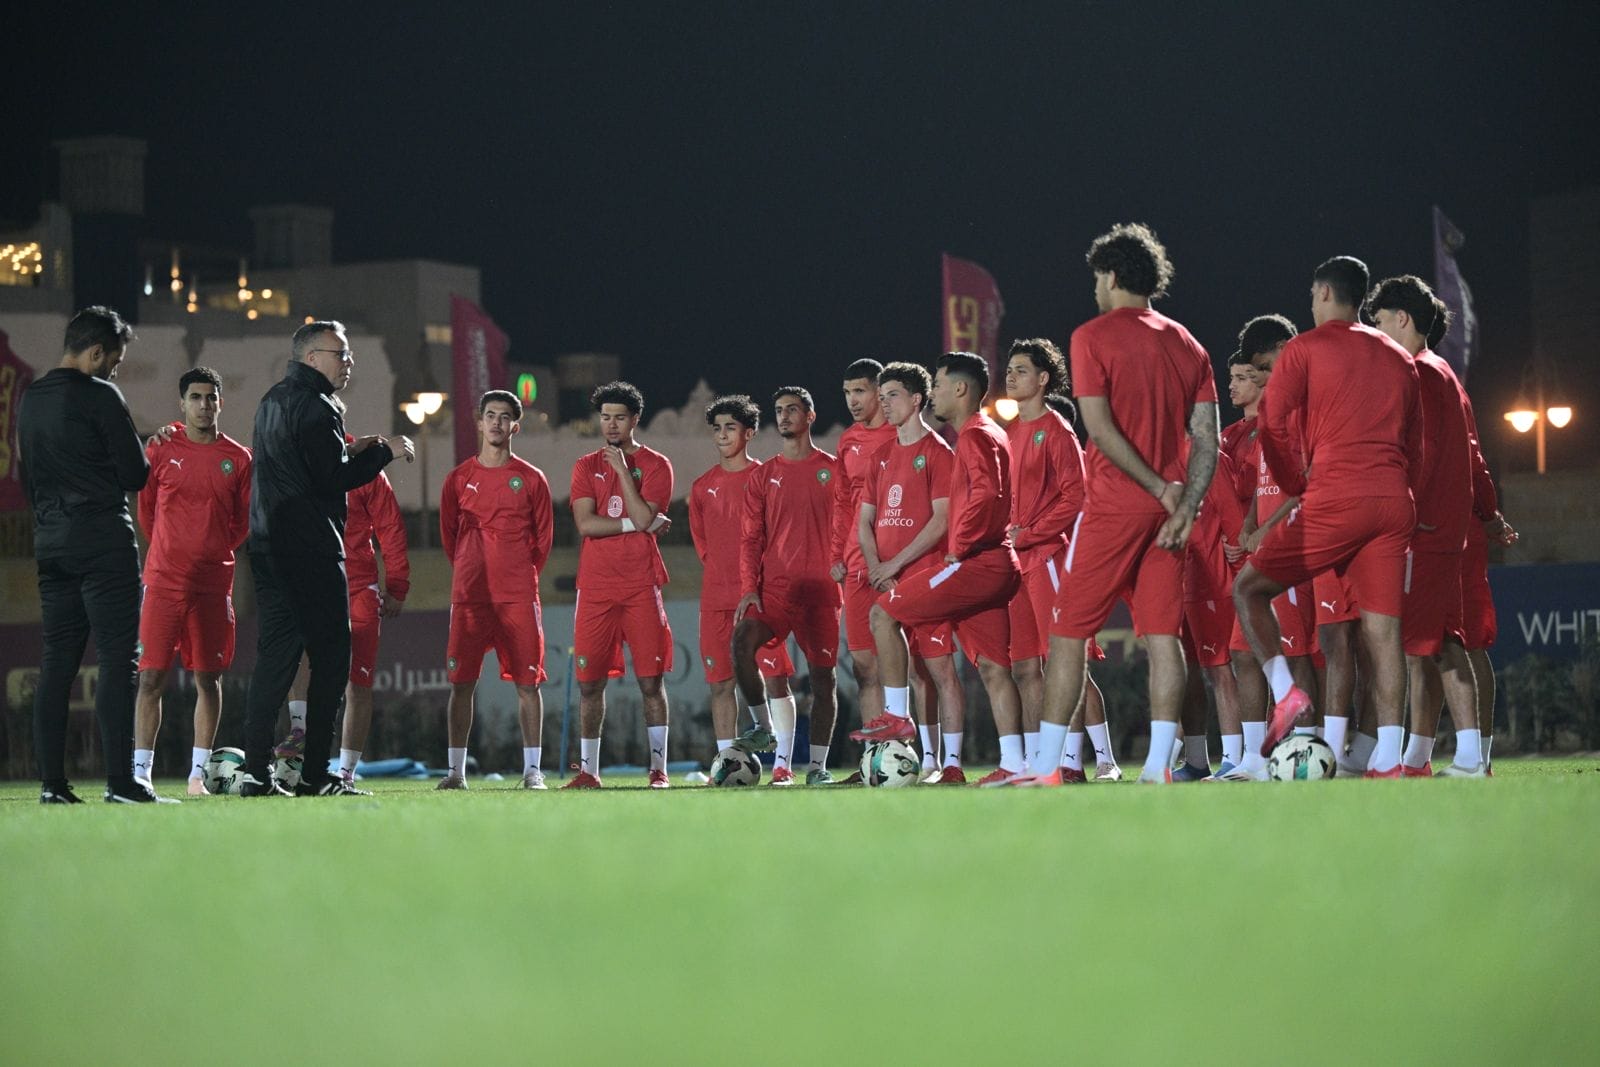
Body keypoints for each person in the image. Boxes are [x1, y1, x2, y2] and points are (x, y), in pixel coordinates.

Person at [1019, 223, 1218, 786]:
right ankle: (1157, 767)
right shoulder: (1188, 342)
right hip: (1170, 514)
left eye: (1096, 279)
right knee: (1162, 638)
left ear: (1110, 275)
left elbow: (1100, 430)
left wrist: (1158, 488)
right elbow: (1208, 436)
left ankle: (1049, 767)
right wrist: (1184, 505)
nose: (1095, 290)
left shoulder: (1091, 336)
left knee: (1067, 635)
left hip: (1114, 505)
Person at [1232, 257, 1422, 776]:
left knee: (1248, 590)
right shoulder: (1398, 356)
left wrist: (1294, 483)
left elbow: (1271, 424)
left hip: (1337, 498)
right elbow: (1416, 445)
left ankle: (1286, 694)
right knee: (1383, 633)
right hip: (1392, 500)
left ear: (1320, 294)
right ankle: (1389, 754)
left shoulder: (1306, 349)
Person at [239, 320, 411, 797]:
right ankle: (316, 774)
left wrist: (353, 448)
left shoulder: (270, 400)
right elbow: (330, 479)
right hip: (311, 550)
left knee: (274, 661)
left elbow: (297, 463)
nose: (348, 362)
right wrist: (385, 454)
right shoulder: (319, 405)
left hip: (267, 548)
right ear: (312, 357)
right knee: (333, 659)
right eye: (342, 354)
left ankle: (257, 774)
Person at [852, 353, 1024, 778]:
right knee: (994, 667)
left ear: (961, 390)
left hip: (977, 562)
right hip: (996, 561)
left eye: (941, 386)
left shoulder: (969, 437)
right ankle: (1014, 764)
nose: (936, 395)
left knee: (882, 612)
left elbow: (984, 495)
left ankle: (899, 718)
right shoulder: (990, 432)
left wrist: (958, 547)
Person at [19, 306, 158, 804]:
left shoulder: (30, 398)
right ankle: (121, 783)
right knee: (120, 661)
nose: (113, 372)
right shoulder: (101, 396)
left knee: (56, 665)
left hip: (50, 543)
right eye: (113, 362)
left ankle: (53, 786)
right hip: (102, 543)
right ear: (96, 352)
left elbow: (26, 477)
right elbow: (134, 475)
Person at [1367, 275, 1492, 778]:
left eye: (1378, 323)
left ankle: (1467, 759)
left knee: (1437, 644)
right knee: (1429, 643)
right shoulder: (1445, 375)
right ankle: (1420, 755)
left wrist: (1403, 512)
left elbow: (1421, 453)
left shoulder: (1418, 373)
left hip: (1425, 529)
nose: (1375, 333)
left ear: (1402, 319)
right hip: (1445, 528)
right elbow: (1472, 457)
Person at [134, 366, 251, 797]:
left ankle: (198, 776)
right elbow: (147, 513)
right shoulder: (161, 450)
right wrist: (173, 550)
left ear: (221, 402)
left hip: (213, 584)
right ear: (182, 404)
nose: (204, 405)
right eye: (195, 398)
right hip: (164, 581)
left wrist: (211, 549)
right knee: (150, 679)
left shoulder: (239, 458)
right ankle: (141, 774)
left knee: (209, 678)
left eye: (210, 397)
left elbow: (240, 524)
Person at [1000, 339, 1112, 784]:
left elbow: (1076, 497)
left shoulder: (1057, 429)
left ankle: (1087, 759)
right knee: (1026, 666)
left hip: (1047, 557)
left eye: (1021, 370)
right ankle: (1035, 761)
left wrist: (1031, 533)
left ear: (1043, 380)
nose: (1010, 377)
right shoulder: (1007, 433)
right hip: (1014, 564)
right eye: (1009, 369)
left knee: (1065, 661)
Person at [1216, 318, 1323, 781]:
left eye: (1252, 372)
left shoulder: (1293, 417)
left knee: (1298, 653)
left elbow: (1303, 487)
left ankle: (1311, 747)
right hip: (1264, 551)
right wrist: (1248, 528)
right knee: (1245, 653)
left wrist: (1266, 531)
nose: (1241, 381)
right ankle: (1255, 757)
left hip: (1294, 546)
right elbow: (1265, 489)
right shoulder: (1263, 428)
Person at [436, 390, 553, 789]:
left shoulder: (533, 478)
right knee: (461, 684)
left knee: (528, 684)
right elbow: (449, 537)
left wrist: (515, 571)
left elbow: (543, 542)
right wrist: (472, 569)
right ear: (479, 422)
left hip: (518, 595)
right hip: (469, 595)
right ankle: (455, 774)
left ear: (515, 426)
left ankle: (532, 772)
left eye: (505, 417)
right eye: (491, 416)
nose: (497, 423)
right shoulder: (458, 479)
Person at [856, 362, 966, 783]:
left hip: (924, 574)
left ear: (917, 399)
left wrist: (894, 565)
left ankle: (949, 762)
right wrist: (874, 566)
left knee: (938, 671)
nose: (884, 403)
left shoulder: (938, 452)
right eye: (880, 397)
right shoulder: (881, 455)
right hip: (885, 576)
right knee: (913, 670)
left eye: (892, 395)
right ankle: (923, 754)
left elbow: (941, 520)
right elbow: (865, 519)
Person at [567, 381, 674, 789]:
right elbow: (586, 524)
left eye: (619, 417)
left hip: (640, 584)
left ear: (635, 420)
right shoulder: (583, 465)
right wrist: (636, 525)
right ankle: (589, 772)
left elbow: (647, 515)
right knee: (589, 683)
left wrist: (622, 473)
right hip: (594, 587)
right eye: (605, 417)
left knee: (651, 681)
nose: (610, 425)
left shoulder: (656, 465)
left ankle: (658, 769)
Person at [735, 387, 842, 785]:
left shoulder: (832, 470)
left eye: (791, 410)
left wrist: (843, 564)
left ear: (810, 416)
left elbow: (848, 527)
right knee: (742, 641)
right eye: (778, 411)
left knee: (823, 679)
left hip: (821, 590)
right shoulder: (764, 475)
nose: (783, 417)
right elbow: (750, 538)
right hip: (775, 591)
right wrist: (749, 587)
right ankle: (763, 727)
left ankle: (816, 768)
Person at [687, 394, 797, 756]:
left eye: (730, 428)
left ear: (749, 433)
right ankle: (728, 761)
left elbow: (781, 538)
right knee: (720, 685)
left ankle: (782, 765)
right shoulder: (702, 486)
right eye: (716, 428)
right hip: (715, 599)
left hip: (760, 598)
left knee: (776, 682)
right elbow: (704, 546)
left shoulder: (769, 478)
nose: (721, 435)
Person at [831, 359, 898, 735]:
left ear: (878, 391)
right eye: (847, 393)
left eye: (860, 391)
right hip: (856, 564)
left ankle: (929, 758)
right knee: (862, 664)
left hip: (899, 561)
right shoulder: (849, 440)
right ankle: (876, 755)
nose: (852, 400)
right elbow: (842, 501)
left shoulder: (900, 433)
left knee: (914, 664)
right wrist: (836, 554)